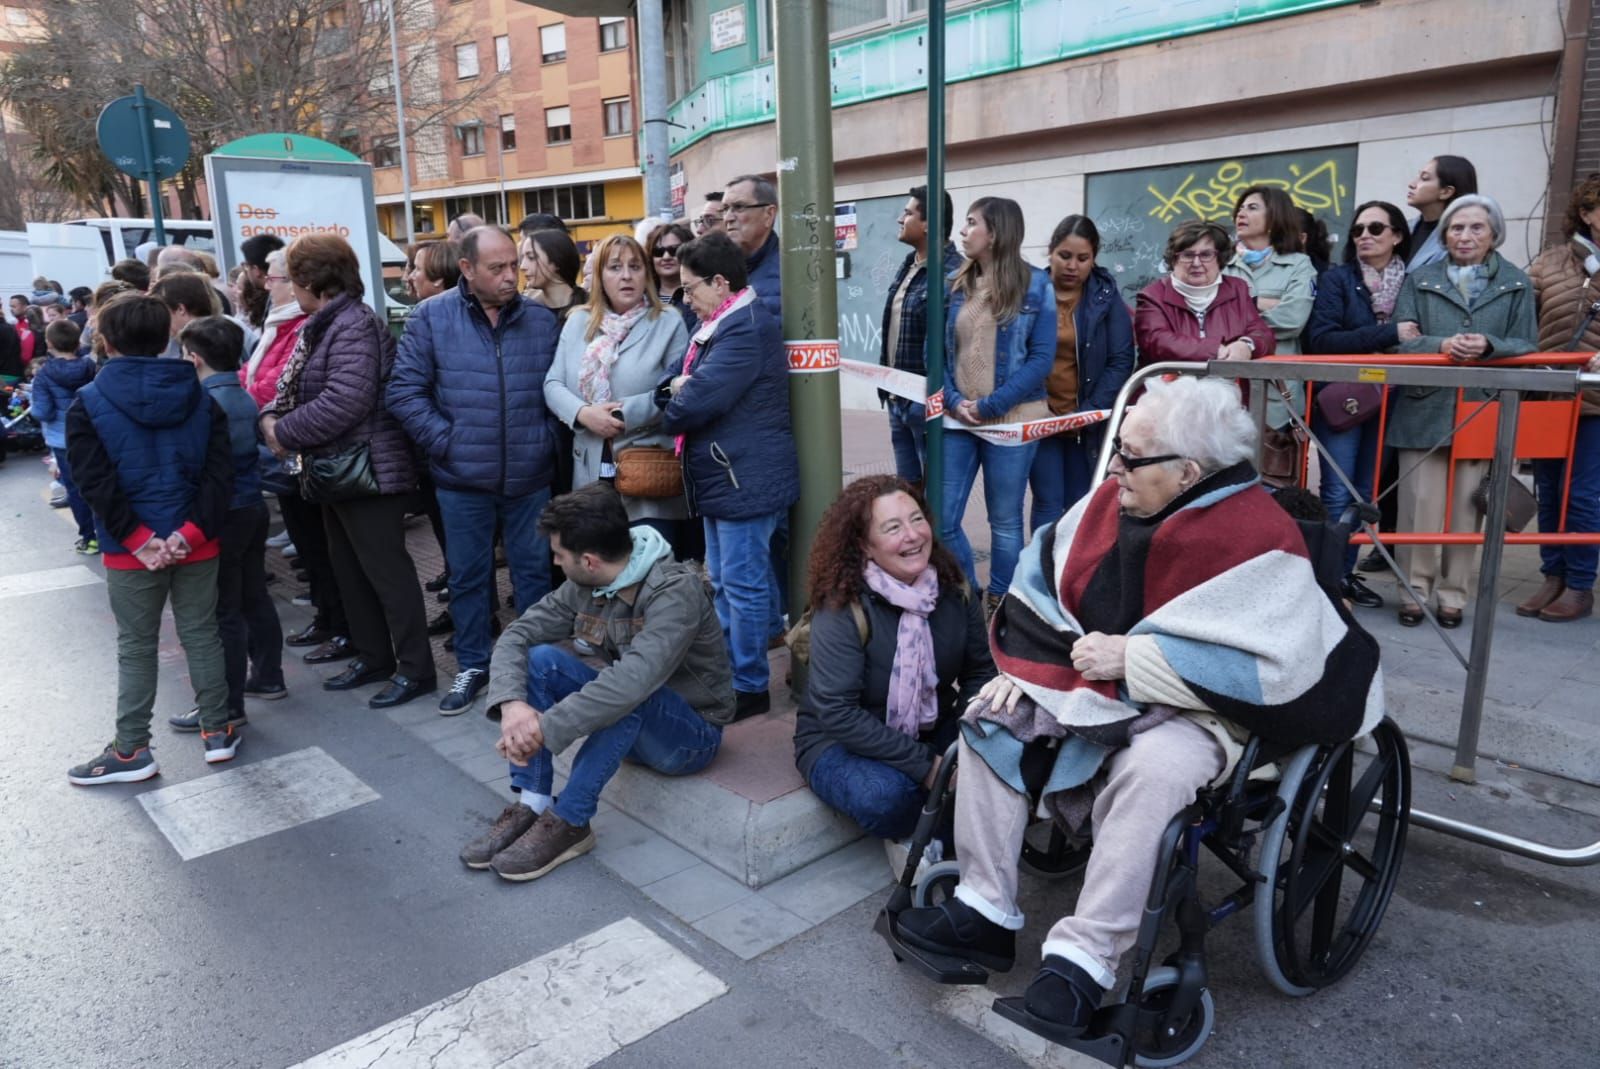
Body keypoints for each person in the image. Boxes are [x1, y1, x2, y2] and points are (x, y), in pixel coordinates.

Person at [894, 375, 1382, 1038]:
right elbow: (1040, 583)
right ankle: (984, 909)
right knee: (989, 714)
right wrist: (1034, 671)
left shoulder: (1258, 536)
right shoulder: (1109, 504)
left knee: (1155, 767)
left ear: (1188, 471)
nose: (1113, 467)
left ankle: (1081, 962)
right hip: (1092, 683)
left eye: (1130, 456)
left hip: (1209, 716)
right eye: (1118, 449)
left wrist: (1136, 659)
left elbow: (1272, 664)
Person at [461, 483, 734, 881]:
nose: (555, 562)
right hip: (632, 717)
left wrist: (543, 728)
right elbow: (518, 635)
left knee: (628, 692)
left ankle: (571, 822)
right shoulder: (585, 584)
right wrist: (512, 706)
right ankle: (534, 803)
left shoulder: (675, 592)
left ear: (588, 560)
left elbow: (630, 684)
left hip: (691, 736)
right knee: (541, 660)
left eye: (559, 554)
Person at [64, 293, 242, 783]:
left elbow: (93, 482)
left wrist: (140, 539)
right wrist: (187, 534)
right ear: (168, 336)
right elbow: (219, 476)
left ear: (106, 340)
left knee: (137, 646)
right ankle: (217, 731)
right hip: (195, 541)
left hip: (130, 548)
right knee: (202, 633)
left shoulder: (89, 403)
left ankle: (131, 750)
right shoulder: (201, 397)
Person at [388, 226, 561, 714]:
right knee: (468, 577)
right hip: (461, 480)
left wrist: (544, 441)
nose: (512, 277)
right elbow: (404, 392)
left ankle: (530, 667)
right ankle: (473, 664)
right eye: (498, 268)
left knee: (533, 576)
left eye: (515, 265)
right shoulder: (430, 317)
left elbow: (558, 388)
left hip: (530, 476)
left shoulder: (541, 320)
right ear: (466, 269)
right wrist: (449, 443)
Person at [261, 233, 434, 708]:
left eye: (293, 278)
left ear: (313, 280)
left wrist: (283, 430)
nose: (289, 288)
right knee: (351, 570)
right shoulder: (328, 323)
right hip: (343, 469)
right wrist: (272, 417)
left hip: (369, 471)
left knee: (386, 574)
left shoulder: (353, 324)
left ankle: (417, 670)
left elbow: (345, 401)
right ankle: (375, 656)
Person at [793, 475, 994, 847]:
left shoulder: (954, 588)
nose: (913, 535)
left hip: (931, 725)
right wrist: (927, 766)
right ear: (864, 546)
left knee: (1002, 759)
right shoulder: (842, 605)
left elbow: (979, 672)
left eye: (917, 519)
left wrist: (973, 738)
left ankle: (940, 832)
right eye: (893, 527)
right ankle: (942, 833)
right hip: (840, 739)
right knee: (886, 797)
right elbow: (837, 712)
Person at [657, 232, 799, 719]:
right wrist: (675, 390)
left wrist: (677, 395)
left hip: (742, 475)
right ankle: (729, 674)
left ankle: (750, 686)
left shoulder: (744, 327)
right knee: (723, 580)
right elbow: (674, 385)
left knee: (741, 583)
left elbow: (693, 401)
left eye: (691, 289)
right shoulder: (721, 323)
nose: (687, 300)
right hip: (726, 474)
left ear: (720, 283)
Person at [1390, 194, 1537, 628]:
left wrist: (1492, 346)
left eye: (1476, 227)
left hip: (1481, 406)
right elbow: (1402, 340)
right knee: (1418, 507)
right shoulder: (1421, 277)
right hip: (1425, 404)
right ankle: (1412, 591)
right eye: (1456, 227)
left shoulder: (1514, 282)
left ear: (1494, 234)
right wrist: (1438, 344)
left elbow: (1528, 344)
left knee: (1466, 511)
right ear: (1444, 234)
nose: (1465, 235)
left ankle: (1454, 595)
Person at [166, 316, 286, 733]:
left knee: (223, 612)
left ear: (194, 358)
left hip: (222, 513)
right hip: (252, 506)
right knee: (254, 596)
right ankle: (269, 676)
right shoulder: (244, 397)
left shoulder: (202, 402)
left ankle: (227, 703)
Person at [938, 196, 1056, 612]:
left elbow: (1041, 359)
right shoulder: (956, 281)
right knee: (943, 518)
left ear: (996, 232)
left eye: (972, 223)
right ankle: (969, 594)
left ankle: (1000, 600)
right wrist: (954, 401)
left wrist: (989, 406)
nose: (963, 231)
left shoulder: (1037, 284)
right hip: (957, 420)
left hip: (1012, 420)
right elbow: (938, 354)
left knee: (1005, 522)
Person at [545, 234, 690, 544]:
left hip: (647, 470)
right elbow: (553, 384)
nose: (626, 275)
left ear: (646, 274)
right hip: (590, 470)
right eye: (615, 267)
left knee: (652, 573)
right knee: (598, 569)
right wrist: (583, 413)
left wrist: (623, 415)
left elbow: (677, 390)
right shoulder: (578, 322)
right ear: (599, 276)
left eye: (635, 267)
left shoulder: (668, 322)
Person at [1306, 200, 1414, 609]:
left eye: (1375, 228)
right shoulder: (1337, 279)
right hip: (1344, 399)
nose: (1364, 236)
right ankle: (1328, 582)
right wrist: (1387, 335)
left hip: (1393, 397)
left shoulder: (1414, 282)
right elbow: (1323, 339)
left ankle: (1344, 575)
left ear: (1397, 236)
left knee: (1366, 492)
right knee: (1337, 492)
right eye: (1358, 230)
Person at [1520, 176, 1600, 623]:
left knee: (1584, 494)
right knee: (1548, 489)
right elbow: (1521, 315)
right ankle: (1552, 574)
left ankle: (1580, 584)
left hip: (1595, 399)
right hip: (1547, 392)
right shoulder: (1550, 261)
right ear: (1586, 213)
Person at [1027, 214, 1135, 530]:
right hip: (1041, 420)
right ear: (1050, 253)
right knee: (1047, 504)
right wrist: (1037, 410)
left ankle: (1073, 573)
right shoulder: (1030, 291)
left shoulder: (1105, 297)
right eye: (1065, 256)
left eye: (1082, 258)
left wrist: (1083, 415)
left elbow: (1120, 360)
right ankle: (1044, 574)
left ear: (1093, 259)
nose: (1073, 266)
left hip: (1084, 425)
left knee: (1081, 503)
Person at [880, 185, 964, 487]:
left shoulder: (954, 273)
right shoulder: (910, 265)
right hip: (897, 399)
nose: (900, 219)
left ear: (928, 223)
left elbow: (953, 347)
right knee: (908, 490)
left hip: (924, 403)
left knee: (936, 496)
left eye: (908, 212)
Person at [1224, 185, 1317, 431]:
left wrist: (1240, 308)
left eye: (1252, 208)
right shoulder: (1223, 264)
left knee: (1274, 468)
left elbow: (1293, 319)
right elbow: (1212, 318)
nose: (1241, 214)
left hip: (1277, 396)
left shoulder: (1299, 264)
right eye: (1240, 208)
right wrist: (1259, 303)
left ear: (1274, 218)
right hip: (1227, 393)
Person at [1134, 219, 1275, 368]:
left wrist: (1247, 345)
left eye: (1206, 255)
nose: (1196, 263)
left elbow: (1262, 334)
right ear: (1174, 259)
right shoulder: (1152, 296)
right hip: (1170, 387)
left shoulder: (1237, 288)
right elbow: (1157, 342)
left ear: (1220, 258)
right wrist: (1213, 350)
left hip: (1229, 386)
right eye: (1188, 255)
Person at [29, 318, 98, 551]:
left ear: (48, 343)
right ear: (77, 342)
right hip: (92, 434)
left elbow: (43, 411)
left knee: (75, 488)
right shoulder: (90, 367)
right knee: (97, 482)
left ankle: (89, 537)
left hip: (62, 439)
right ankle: (107, 532)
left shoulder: (44, 374)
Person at [721, 174, 781, 322]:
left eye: (739, 207)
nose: (728, 218)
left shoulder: (791, 272)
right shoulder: (718, 268)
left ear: (769, 214)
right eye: (725, 209)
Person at [1406, 155, 1478, 270]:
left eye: (1424, 178)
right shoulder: (1404, 229)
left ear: (1446, 192)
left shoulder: (1463, 242)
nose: (1412, 184)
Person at [520, 228, 588, 324]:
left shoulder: (593, 309)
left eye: (531, 258)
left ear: (556, 261)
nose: (523, 266)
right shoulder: (523, 309)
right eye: (522, 258)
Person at [646, 222, 696, 330]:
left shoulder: (701, 294)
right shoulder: (642, 297)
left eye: (674, 250)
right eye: (658, 251)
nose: (666, 257)